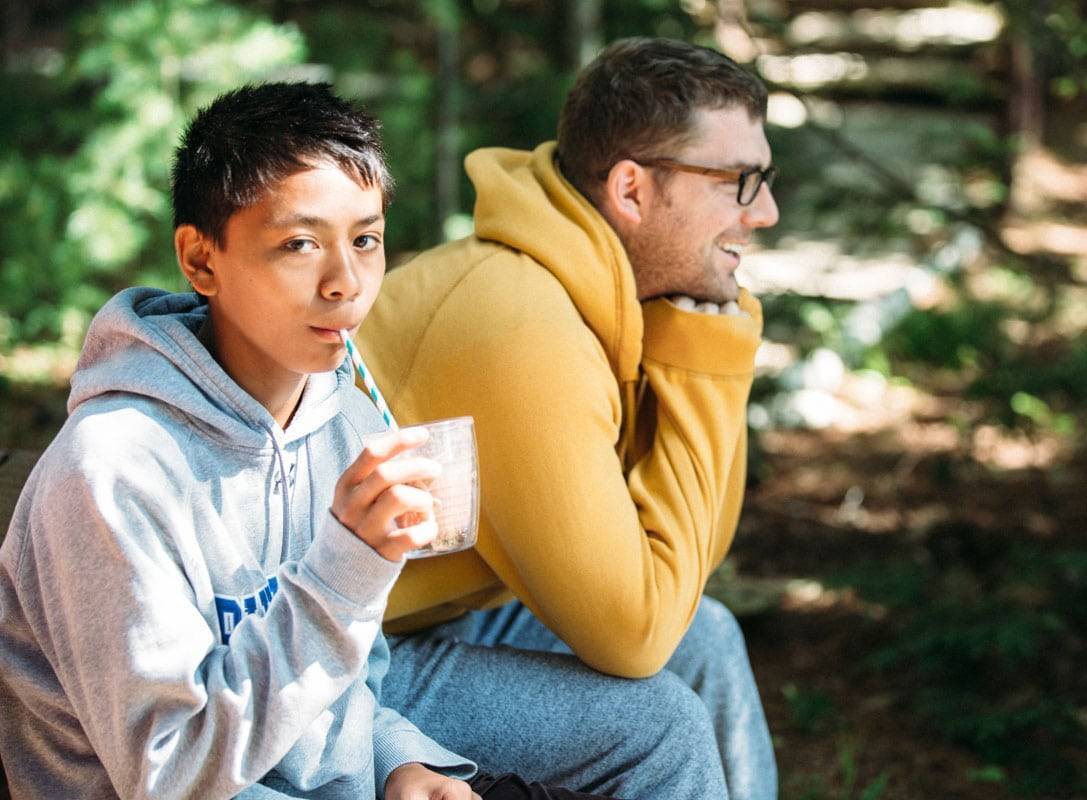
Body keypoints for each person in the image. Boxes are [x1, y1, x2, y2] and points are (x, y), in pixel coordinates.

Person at [0, 82, 616, 800]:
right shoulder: (113, 468)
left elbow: (350, 682)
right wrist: (343, 567)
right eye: (299, 244)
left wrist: (396, 761)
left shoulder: (345, 418)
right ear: (201, 261)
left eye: (365, 240)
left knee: (655, 722)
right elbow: (169, 770)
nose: (346, 282)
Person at [356, 38, 781, 800]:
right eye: (741, 183)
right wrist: (707, 369)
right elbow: (634, 635)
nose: (766, 214)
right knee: (658, 718)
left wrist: (704, 363)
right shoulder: (519, 324)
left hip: (432, 624)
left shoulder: (598, 297)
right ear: (631, 189)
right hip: (330, 663)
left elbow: (687, 570)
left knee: (707, 635)